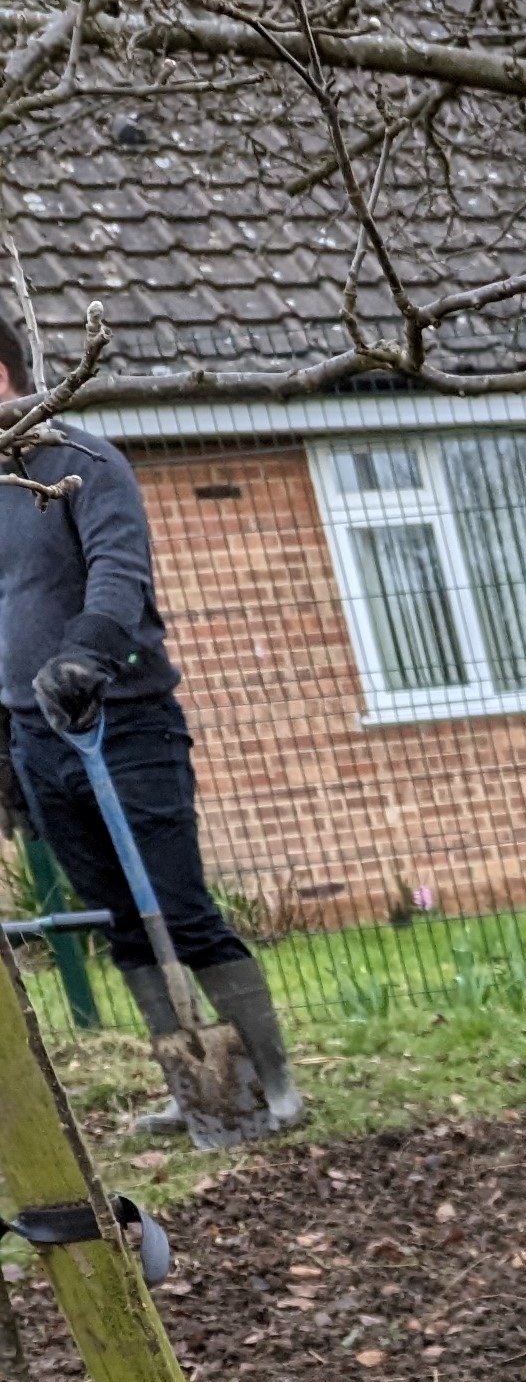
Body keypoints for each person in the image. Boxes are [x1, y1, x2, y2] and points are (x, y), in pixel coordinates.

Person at [0, 317, 301, 1130]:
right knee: (121, 921)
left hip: (120, 722)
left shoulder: (85, 462)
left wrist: (84, 658)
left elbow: (119, 569)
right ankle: (194, 1086)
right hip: (37, 741)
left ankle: (274, 1085)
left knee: (177, 906)